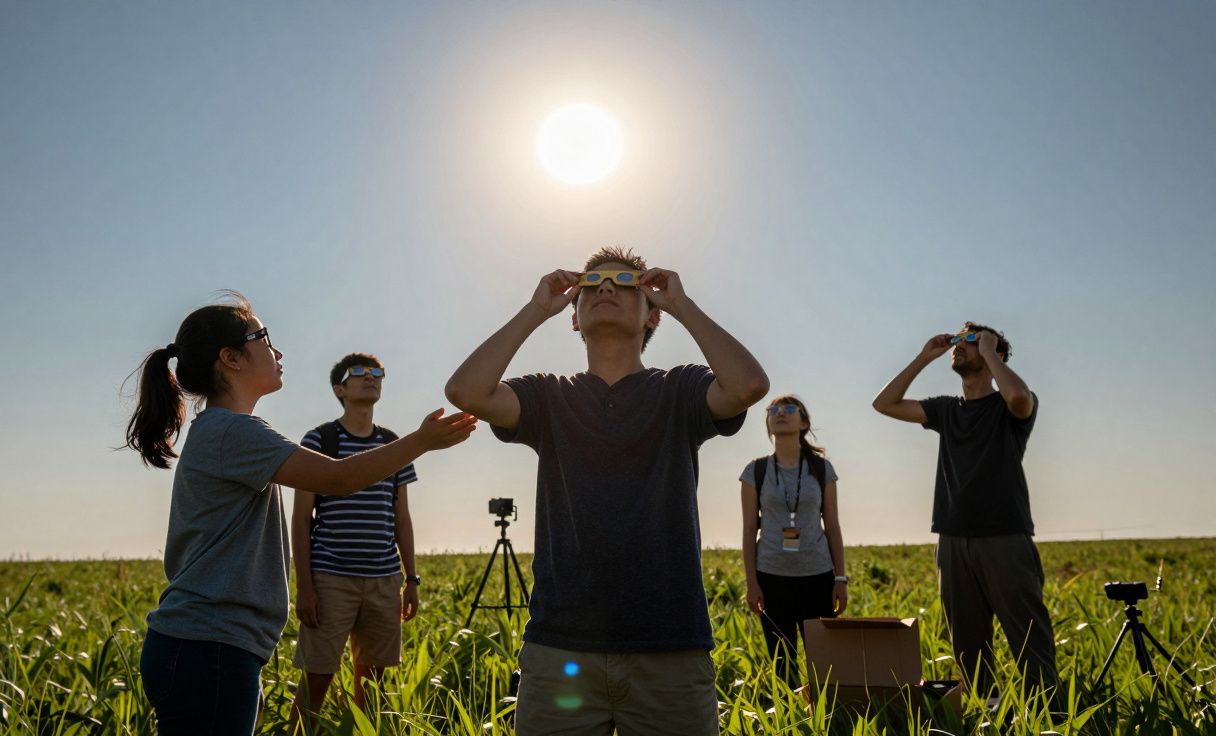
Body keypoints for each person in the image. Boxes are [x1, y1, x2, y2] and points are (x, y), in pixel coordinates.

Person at [444, 246, 769, 736]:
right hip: (560, 649)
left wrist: (682, 305)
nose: (607, 288)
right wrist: (535, 310)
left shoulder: (680, 389)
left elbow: (747, 386)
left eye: (624, 283)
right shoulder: (549, 394)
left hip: (669, 649)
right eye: (592, 284)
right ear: (574, 316)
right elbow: (466, 392)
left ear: (651, 316)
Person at [124, 293, 476, 735]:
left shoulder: (223, 430)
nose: (279, 352)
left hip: (207, 645)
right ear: (231, 358)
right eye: (264, 339)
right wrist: (421, 441)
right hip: (208, 647)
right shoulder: (232, 431)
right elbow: (337, 479)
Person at [872, 322, 1057, 701]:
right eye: (957, 340)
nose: (959, 345)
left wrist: (988, 349)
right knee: (968, 643)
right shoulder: (946, 409)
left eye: (969, 340)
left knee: (1028, 636)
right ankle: (984, 711)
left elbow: (1018, 396)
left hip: (1005, 535)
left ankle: (1049, 713)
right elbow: (884, 404)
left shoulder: (1010, 406)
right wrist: (924, 357)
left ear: (995, 352)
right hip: (952, 538)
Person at [289, 353, 422, 725]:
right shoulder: (320, 440)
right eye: (359, 372)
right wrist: (305, 587)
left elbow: (402, 519)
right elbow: (300, 519)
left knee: (373, 683)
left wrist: (411, 580)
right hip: (330, 579)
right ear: (339, 389)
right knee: (316, 679)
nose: (371, 377)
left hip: (384, 580)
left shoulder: (394, 444)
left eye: (377, 372)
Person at [739, 394, 847, 687]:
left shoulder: (822, 469)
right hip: (771, 577)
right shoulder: (755, 471)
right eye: (773, 409)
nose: (780, 413)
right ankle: (792, 712)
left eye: (788, 408)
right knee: (782, 664)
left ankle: (825, 713)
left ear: (803, 422)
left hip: (818, 576)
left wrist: (840, 578)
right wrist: (752, 583)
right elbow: (748, 530)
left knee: (824, 664)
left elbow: (833, 526)